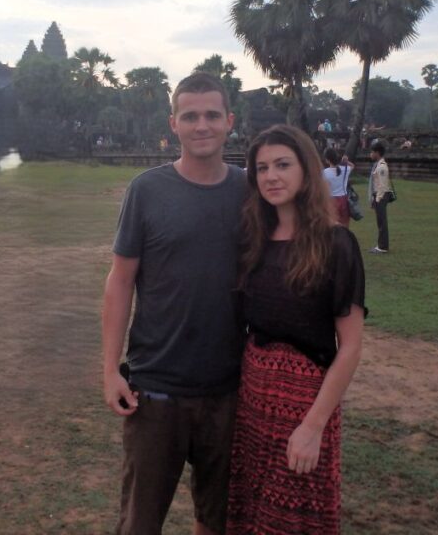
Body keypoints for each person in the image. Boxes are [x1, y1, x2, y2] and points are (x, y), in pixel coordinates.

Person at [102, 71, 247, 535]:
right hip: (156, 387)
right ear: (173, 124)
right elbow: (120, 281)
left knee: (217, 517)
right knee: (141, 522)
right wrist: (110, 371)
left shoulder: (251, 192)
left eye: (210, 115)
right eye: (190, 116)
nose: (201, 125)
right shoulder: (147, 190)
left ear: (230, 121)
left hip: (228, 387)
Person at [227, 124, 366, 534]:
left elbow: (352, 346)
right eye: (263, 167)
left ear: (306, 169)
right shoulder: (255, 239)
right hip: (253, 395)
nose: (272, 176)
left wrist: (312, 425)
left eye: (283, 165)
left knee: (294, 515)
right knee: (250, 511)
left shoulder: (335, 243)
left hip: (306, 401)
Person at [368, 141, 393, 254]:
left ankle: (383, 247)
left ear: (377, 153)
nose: (371, 154)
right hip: (379, 195)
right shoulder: (378, 165)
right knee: (380, 221)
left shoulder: (381, 167)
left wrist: (377, 199)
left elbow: (382, 186)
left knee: (382, 221)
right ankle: (381, 245)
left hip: (381, 195)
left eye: (372, 152)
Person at [321, 147, 354, 227]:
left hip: (331, 200)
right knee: (345, 224)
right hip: (344, 199)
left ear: (328, 160)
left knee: (332, 225)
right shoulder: (345, 169)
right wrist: (346, 161)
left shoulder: (325, 172)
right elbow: (352, 166)